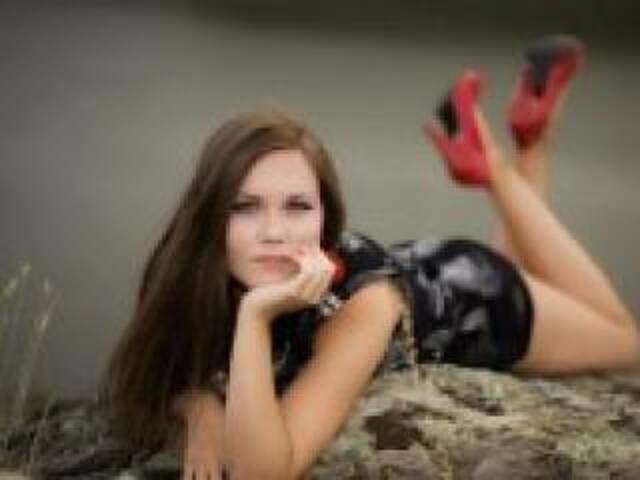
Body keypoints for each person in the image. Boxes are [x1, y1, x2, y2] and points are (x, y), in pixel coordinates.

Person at [102, 36, 640, 480]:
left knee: (628, 344)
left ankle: (494, 167)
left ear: (325, 218)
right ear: (209, 215)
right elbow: (155, 378)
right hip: (426, 265)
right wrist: (201, 409)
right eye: (244, 207)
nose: (273, 232)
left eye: (297, 206)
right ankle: (530, 139)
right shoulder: (188, 272)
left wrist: (255, 317)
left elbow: (263, 472)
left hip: (480, 298)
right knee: (549, 280)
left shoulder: (361, 307)